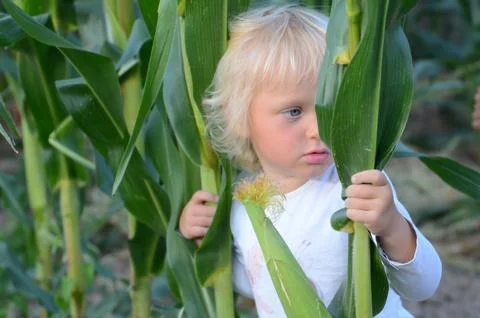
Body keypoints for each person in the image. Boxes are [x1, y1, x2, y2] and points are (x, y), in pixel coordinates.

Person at [179, 4, 442, 317]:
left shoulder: (355, 190)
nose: (320, 129)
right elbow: (259, 286)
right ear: (236, 117)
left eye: (329, 106)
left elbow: (423, 286)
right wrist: (204, 242)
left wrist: (392, 227)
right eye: (294, 111)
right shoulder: (243, 203)